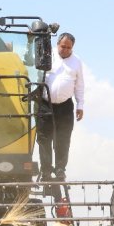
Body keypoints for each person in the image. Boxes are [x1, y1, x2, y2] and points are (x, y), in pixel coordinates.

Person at [37, 32, 85, 181]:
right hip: (45, 104)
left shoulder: (76, 62)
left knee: (63, 138)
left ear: (72, 48)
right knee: (44, 138)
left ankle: (60, 170)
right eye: (63, 46)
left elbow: (80, 85)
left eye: (68, 48)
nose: (65, 50)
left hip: (65, 106)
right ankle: (45, 170)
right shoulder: (47, 55)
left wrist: (80, 105)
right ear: (57, 44)